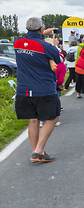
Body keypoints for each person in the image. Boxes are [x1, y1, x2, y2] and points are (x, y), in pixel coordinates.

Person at [13, 17, 61, 163]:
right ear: (41, 29)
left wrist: (42, 32)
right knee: (52, 117)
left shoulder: (17, 42)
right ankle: (39, 150)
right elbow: (58, 62)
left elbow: (30, 38)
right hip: (43, 89)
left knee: (32, 120)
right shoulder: (48, 47)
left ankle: (35, 152)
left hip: (23, 89)